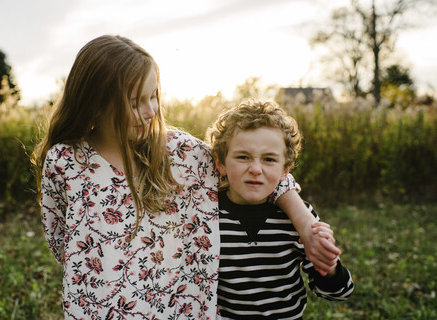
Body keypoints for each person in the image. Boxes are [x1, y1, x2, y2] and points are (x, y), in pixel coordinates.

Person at [32, 34, 338, 319]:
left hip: (181, 309)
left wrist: (306, 225)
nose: (150, 110)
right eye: (136, 101)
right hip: (98, 309)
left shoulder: (182, 152)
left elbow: (258, 174)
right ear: (95, 102)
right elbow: (62, 242)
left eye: (153, 96)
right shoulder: (64, 161)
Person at [207, 100, 354, 319]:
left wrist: (328, 267)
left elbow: (340, 293)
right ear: (221, 164)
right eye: (243, 157)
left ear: (285, 171)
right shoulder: (208, 216)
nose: (256, 169)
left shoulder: (298, 219)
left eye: (269, 159)